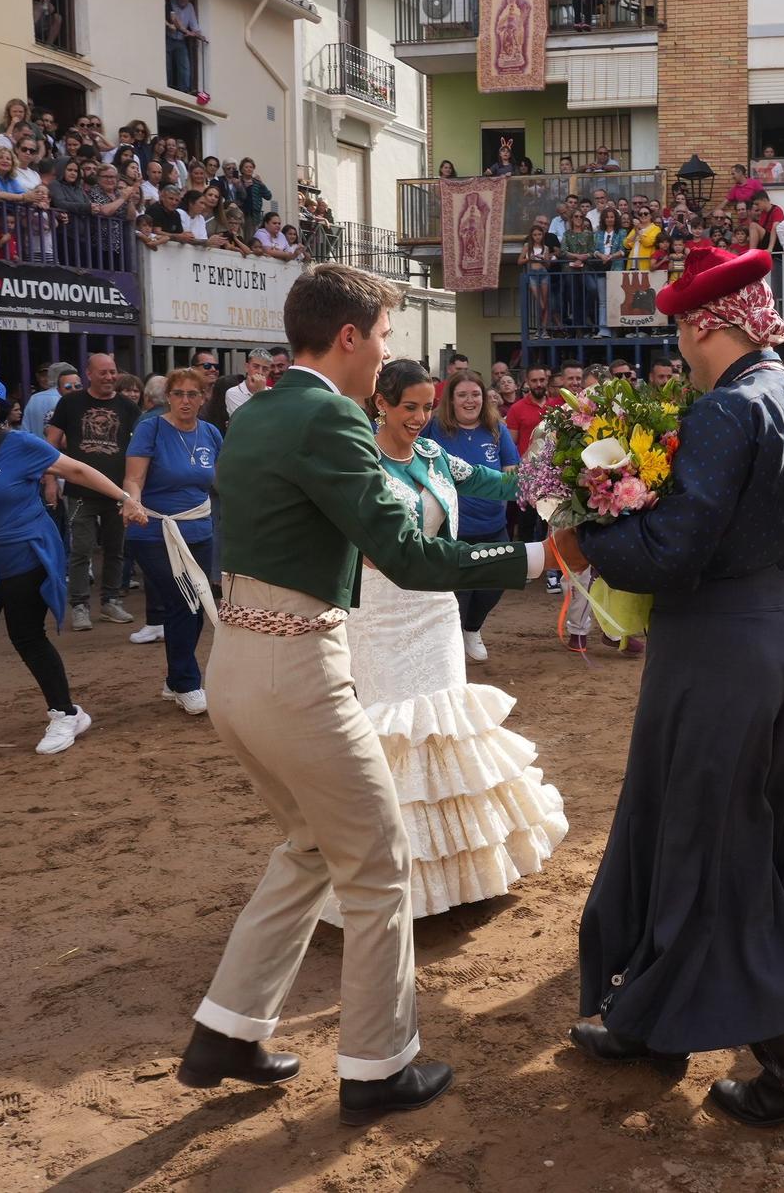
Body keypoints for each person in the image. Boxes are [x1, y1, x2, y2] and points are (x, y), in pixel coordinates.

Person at [547, 246, 784, 1132]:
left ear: (706, 324)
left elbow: (674, 549)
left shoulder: (726, 412)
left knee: (713, 853)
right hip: (781, 658)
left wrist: (583, 536)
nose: (679, 345)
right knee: (720, 842)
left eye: (681, 327)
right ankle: (650, 1020)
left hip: (714, 658)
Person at [176, 265, 543, 1124]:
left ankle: (226, 1029)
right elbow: (409, 558)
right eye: (382, 335)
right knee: (379, 864)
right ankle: (379, 1066)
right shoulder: (331, 416)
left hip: (235, 664)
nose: (387, 352)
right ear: (350, 336)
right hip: (298, 669)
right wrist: (536, 561)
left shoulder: (260, 410)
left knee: (310, 844)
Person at [334, 358, 566, 923]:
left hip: (434, 610)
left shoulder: (437, 458)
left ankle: (460, 879)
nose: (416, 418)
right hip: (377, 613)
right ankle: (395, 879)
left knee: (443, 730)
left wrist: (567, 464)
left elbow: (503, 483)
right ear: (381, 404)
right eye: (407, 406)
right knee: (391, 737)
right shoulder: (356, 464)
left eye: (422, 406)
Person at [0, 373, 144, 758]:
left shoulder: (21, 445)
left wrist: (125, 499)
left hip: (23, 555)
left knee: (27, 636)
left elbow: (78, 471)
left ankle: (67, 713)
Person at [121, 367, 222, 715]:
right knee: (183, 600)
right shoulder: (151, 428)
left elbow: (221, 480)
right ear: (168, 396)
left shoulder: (209, 432)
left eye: (193, 394)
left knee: (195, 606)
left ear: (203, 398)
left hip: (198, 530)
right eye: (179, 394)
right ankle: (187, 683)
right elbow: (133, 478)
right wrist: (131, 502)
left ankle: (175, 679)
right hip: (154, 530)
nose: (185, 401)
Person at [429, 370, 520, 663]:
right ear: (451, 400)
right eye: (462, 395)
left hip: (493, 524)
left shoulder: (496, 428)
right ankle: (452, 650)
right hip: (454, 528)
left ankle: (473, 628)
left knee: (497, 581)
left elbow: (511, 471)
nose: (470, 401)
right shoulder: (434, 428)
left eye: (476, 394)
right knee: (460, 592)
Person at [48, 354, 140, 631]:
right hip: (79, 492)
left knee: (116, 549)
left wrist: (134, 491)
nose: (110, 377)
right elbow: (50, 445)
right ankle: (79, 605)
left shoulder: (128, 407)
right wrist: (50, 481)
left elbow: (140, 449)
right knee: (81, 550)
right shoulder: (71, 403)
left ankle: (111, 601)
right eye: (103, 372)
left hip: (116, 492)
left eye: (113, 372)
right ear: (89, 374)